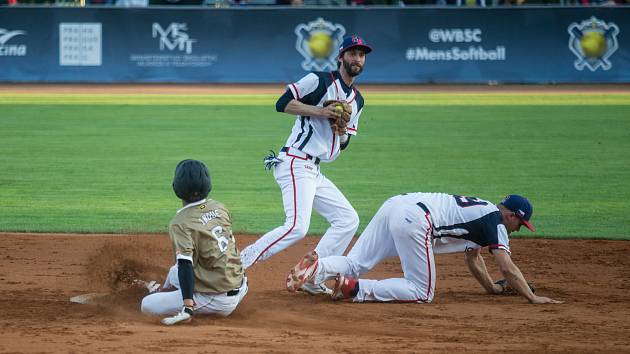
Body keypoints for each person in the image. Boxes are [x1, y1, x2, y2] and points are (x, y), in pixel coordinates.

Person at [239, 35, 373, 295]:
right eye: (353, 53)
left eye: (362, 54)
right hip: (295, 161)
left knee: (347, 219)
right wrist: (320, 111)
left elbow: (343, 144)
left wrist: (342, 129)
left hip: (314, 170)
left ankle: (312, 275)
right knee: (297, 226)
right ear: (341, 57)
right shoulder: (319, 81)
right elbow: (282, 103)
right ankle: (237, 264)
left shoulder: (357, 100)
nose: (357, 58)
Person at [287, 193, 563, 304]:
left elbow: (474, 258)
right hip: (416, 220)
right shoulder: (496, 223)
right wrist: (532, 297)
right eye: (520, 223)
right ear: (512, 215)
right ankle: (355, 289)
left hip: (397, 203)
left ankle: (318, 267)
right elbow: (507, 266)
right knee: (421, 292)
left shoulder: (482, 210)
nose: (518, 229)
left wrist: (491, 288)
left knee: (357, 262)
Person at [141, 159, 248, 325]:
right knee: (174, 271)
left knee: (147, 305)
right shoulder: (219, 207)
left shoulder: (180, 222)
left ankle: (179, 300)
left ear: (176, 187)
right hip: (240, 285)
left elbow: (185, 265)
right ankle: (166, 291)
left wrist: (188, 306)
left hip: (216, 299)